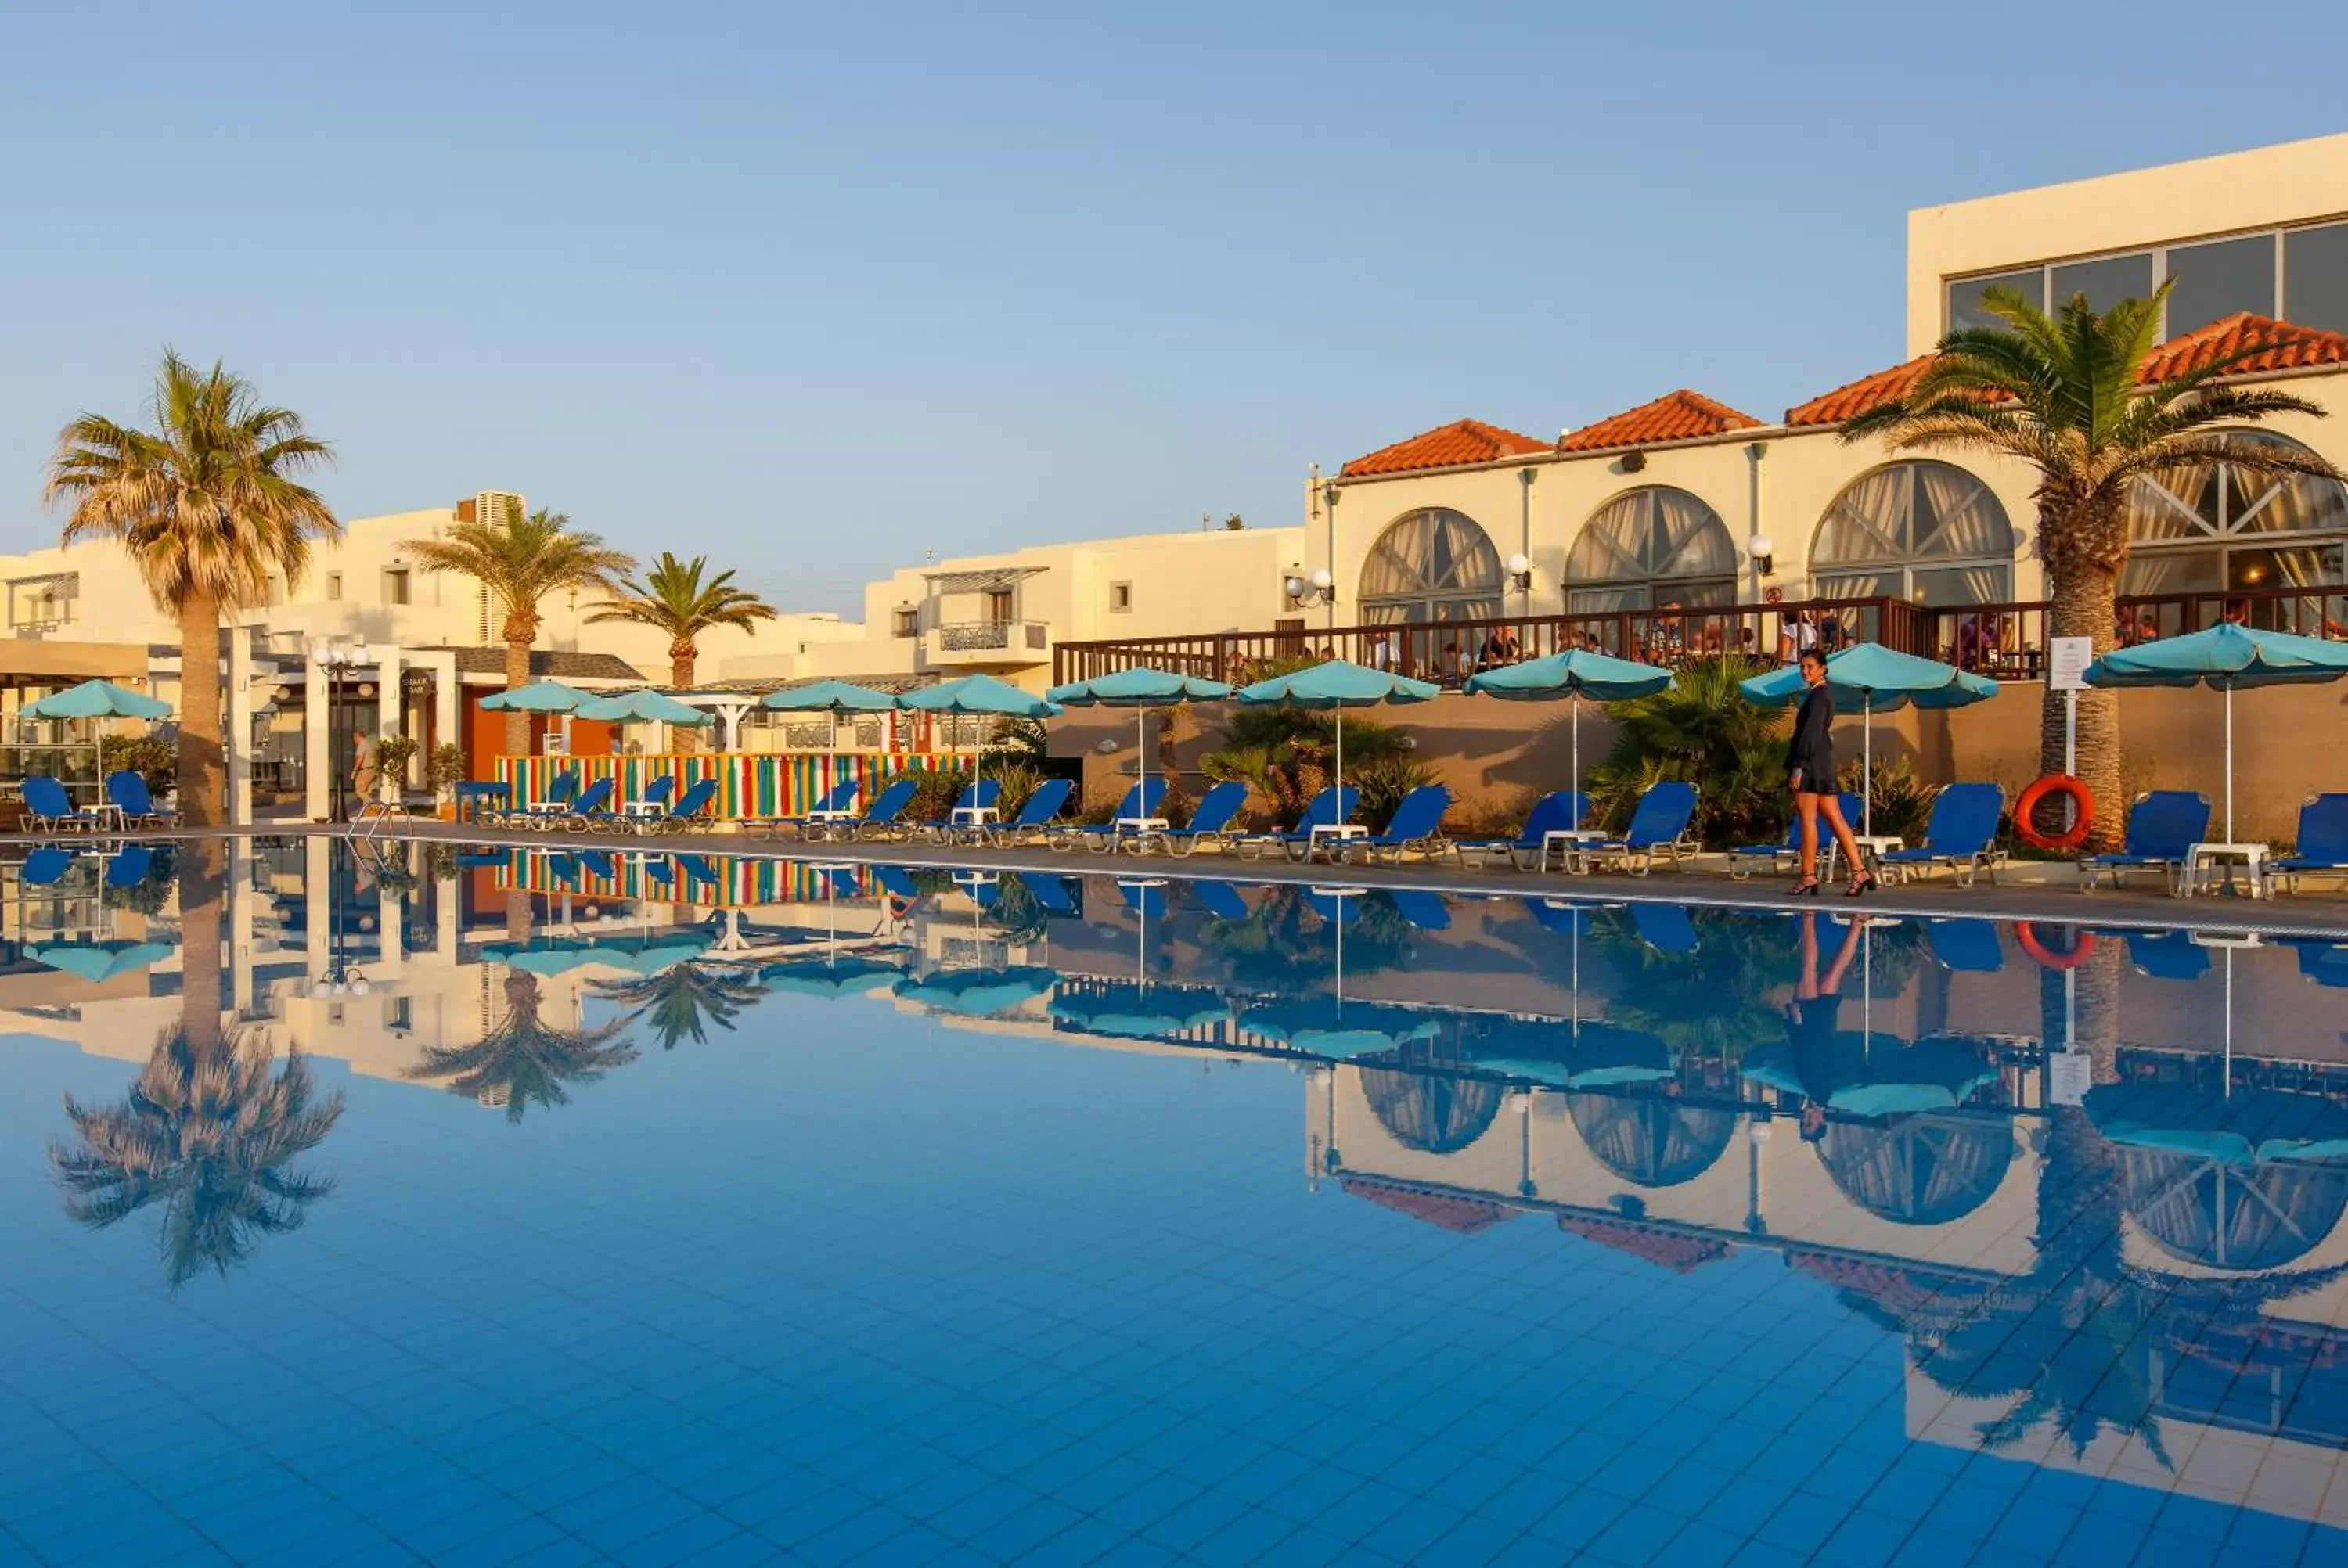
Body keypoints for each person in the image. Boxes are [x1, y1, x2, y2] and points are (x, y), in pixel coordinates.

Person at [1787, 647, 1872, 897]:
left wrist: (1799, 766)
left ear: (1823, 668)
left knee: (1808, 820)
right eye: (1802, 666)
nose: (1805, 671)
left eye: (1810, 666)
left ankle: (1809, 875)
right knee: (1834, 818)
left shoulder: (1820, 696)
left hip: (1811, 764)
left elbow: (1811, 734)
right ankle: (1859, 871)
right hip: (1820, 762)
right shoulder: (1820, 695)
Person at [1787, 912, 1870, 1143]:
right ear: (1822, 1119)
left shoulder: (1826, 1091)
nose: (1806, 1117)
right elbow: (1806, 1053)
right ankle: (1808, 917)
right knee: (1809, 969)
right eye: (1811, 1122)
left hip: (1824, 1026)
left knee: (1834, 971)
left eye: (1804, 1121)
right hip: (1811, 1024)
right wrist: (1797, 1022)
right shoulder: (1816, 1089)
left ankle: (1857, 924)